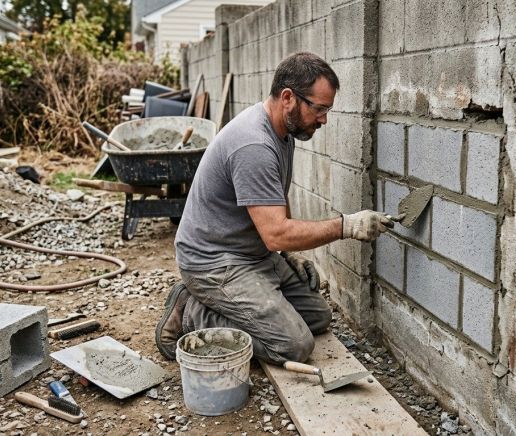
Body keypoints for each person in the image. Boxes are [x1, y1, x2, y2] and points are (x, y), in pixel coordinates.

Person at [155, 52, 398, 364]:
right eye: (319, 109)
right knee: (294, 345)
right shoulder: (254, 145)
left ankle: (222, 305)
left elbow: (275, 203)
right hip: (213, 263)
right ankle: (190, 312)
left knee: (317, 317)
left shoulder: (282, 132)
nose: (324, 119)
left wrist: (288, 253)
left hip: (251, 255)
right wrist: (347, 226)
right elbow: (275, 234)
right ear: (288, 98)